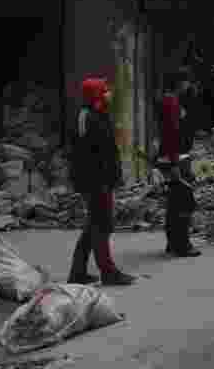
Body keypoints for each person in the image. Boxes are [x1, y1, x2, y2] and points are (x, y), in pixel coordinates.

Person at [68, 77, 135, 286]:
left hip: (99, 180)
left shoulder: (96, 115)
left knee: (93, 226)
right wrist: (103, 181)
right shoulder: (88, 117)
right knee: (102, 226)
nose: (109, 94)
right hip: (96, 182)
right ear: (96, 95)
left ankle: (78, 272)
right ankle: (108, 272)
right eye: (105, 91)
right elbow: (89, 156)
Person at [157, 70, 201, 257]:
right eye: (187, 82)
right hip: (175, 157)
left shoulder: (169, 100)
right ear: (180, 83)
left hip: (173, 156)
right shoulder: (171, 103)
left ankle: (173, 242)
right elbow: (172, 134)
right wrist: (174, 162)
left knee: (175, 201)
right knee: (183, 201)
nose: (189, 86)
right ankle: (182, 245)